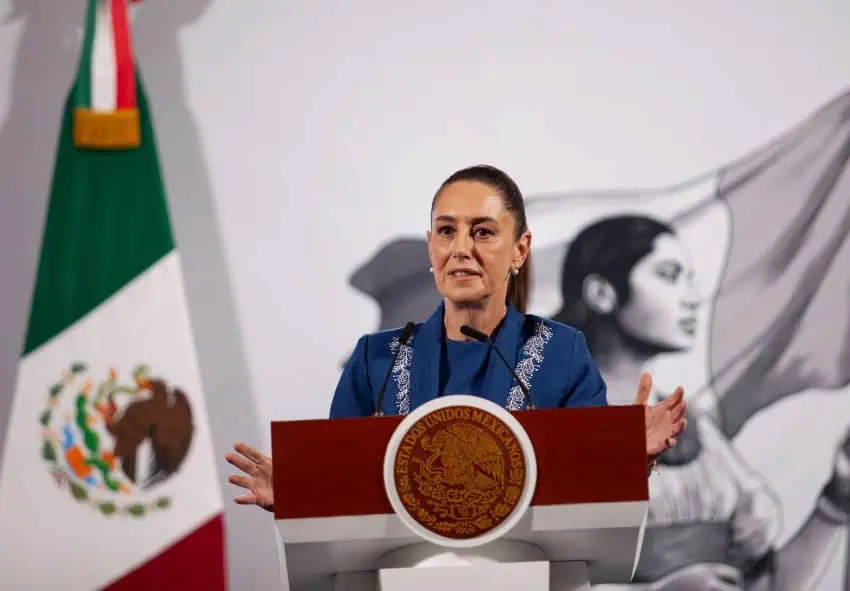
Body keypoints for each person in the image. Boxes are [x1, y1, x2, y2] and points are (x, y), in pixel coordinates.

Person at [226, 165, 688, 512]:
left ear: (519, 250)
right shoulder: (375, 359)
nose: (460, 248)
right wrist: (300, 498)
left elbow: (591, 495)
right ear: (432, 247)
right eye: (447, 231)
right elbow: (343, 488)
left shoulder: (563, 353)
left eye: (483, 232)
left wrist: (630, 458)